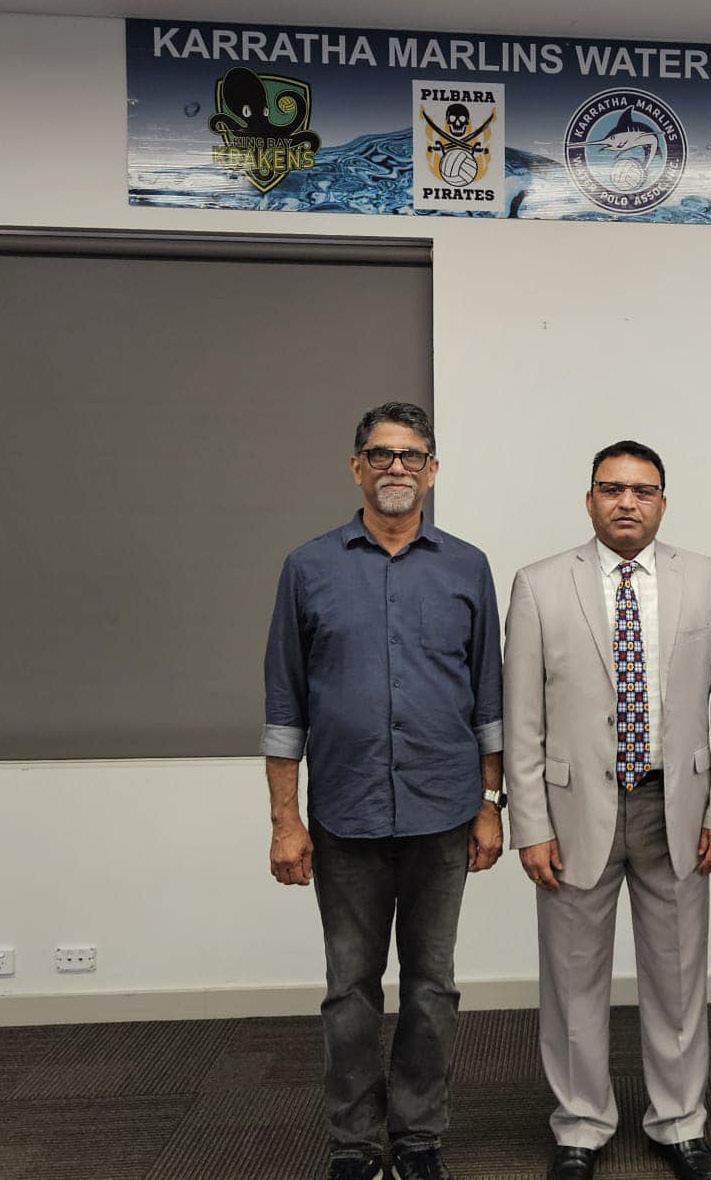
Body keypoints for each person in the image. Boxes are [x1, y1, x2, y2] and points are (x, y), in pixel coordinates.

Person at [263, 402, 505, 1180]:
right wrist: (285, 821)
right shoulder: (309, 568)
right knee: (350, 991)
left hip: (443, 814)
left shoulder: (467, 567)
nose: (395, 467)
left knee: (432, 988)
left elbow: (488, 700)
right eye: (380, 454)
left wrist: (490, 803)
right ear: (356, 467)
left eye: (410, 455)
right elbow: (284, 705)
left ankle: (419, 1136)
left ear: (432, 470)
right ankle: (356, 1142)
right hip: (346, 818)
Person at [504, 440, 711, 1180]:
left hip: (678, 808)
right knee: (572, 977)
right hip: (574, 813)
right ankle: (580, 1124)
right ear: (590, 500)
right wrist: (530, 824)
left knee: (678, 975)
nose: (627, 503)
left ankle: (679, 1122)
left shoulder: (707, 580)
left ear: (663, 502)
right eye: (612, 489)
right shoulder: (539, 585)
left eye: (643, 491)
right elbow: (522, 718)